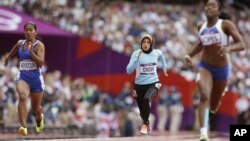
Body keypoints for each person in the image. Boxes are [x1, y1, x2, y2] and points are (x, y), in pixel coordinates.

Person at [184, 0, 246, 141]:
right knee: (204, 95)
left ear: (218, 11)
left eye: (213, 5)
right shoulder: (201, 26)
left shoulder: (225, 25)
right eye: (207, 5)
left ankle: (215, 102)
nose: (209, 7)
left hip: (222, 70)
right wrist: (189, 55)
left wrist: (228, 48)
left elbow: (241, 44)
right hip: (205, 66)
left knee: (213, 104)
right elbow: (201, 43)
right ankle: (203, 133)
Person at [3, 22, 45, 136]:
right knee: (22, 96)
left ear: (35, 32)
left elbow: (41, 63)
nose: (28, 32)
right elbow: (14, 49)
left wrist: (32, 53)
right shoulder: (20, 43)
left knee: (35, 108)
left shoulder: (39, 45)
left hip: (36, 79)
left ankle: (39, 120)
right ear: (24, 32)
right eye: (26, 30)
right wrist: (8, 57)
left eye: (31, 30)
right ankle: (23, 126)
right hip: (23, 77)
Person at [126, 33, 168, 135]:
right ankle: (146, 122)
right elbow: (128, 71)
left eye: (148, 42)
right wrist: (136, 60)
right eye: (144, 42)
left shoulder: (155, 53)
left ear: (151, 43)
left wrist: (164, 68)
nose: (145, 44)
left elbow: (162, 55)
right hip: (139, 85)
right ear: (141, 43)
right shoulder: (136, 54)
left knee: (146, 98)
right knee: (142, 111)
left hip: (153, 83)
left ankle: (145, 125)